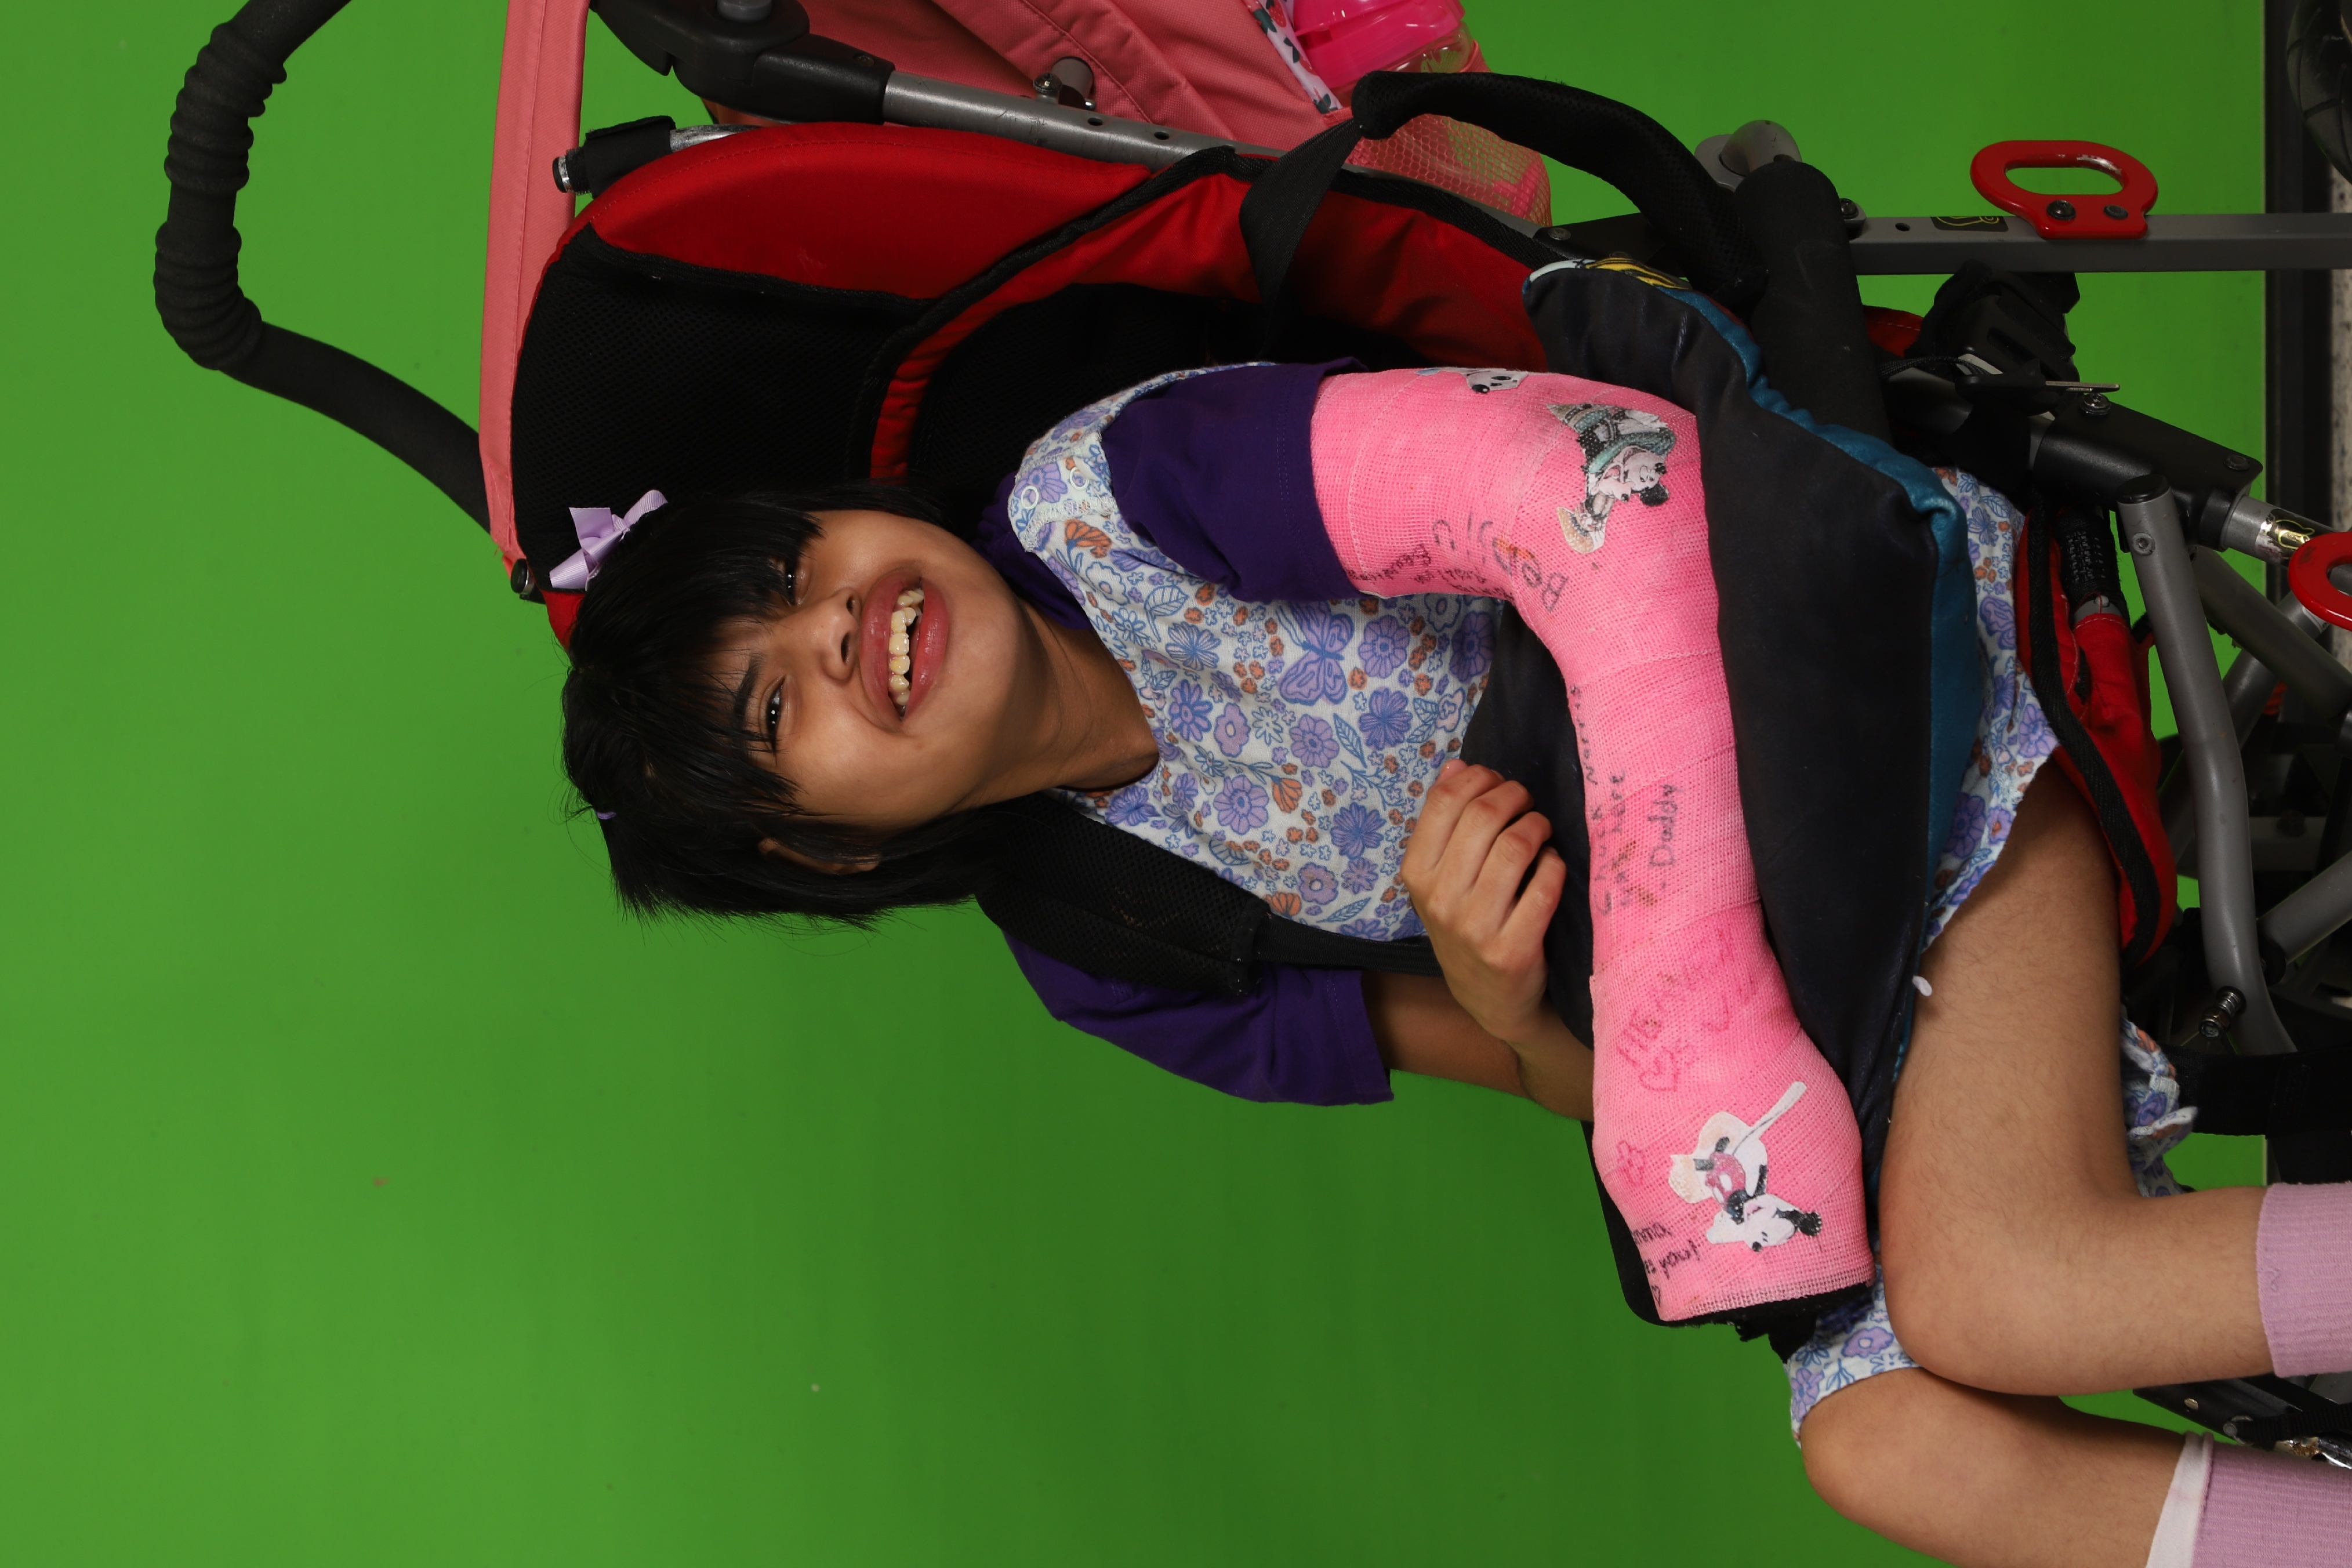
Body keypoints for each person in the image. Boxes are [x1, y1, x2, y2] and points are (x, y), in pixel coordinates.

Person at [557, 359, 2352, 1565]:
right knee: (1884, 1447)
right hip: (1804, 1016)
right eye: (778, 704)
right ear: (824, 851)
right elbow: (1579, 1089)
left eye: (793, 566)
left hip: (1893, 727)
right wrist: (1501, 997)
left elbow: (1595, 480)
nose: (839, 623)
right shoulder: (1108, 948)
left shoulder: (1124, 495)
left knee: (2001, 1294)